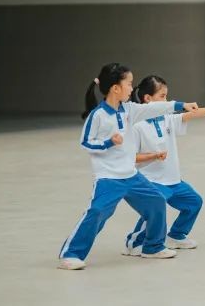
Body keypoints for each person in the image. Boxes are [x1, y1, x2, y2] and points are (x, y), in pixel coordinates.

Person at [58, 63, 197, 270]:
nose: (132, 88)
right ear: (115, 88)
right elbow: (86, 143)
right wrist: (108, 142)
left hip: (131, 176)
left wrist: (180, 105)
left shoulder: (129, 110)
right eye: (129, 84)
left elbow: (153, 108)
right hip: (109, 178)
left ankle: (152, 247)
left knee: (157, 201)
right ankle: (70, 254)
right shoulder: (98, 115)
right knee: (97, 212)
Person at [124, 75, 205, 254]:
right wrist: (154, 156)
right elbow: (130, 158)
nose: (166, 100)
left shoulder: (165, 118)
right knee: (155, 209)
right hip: (153, 180)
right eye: (162, 96)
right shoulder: (137, 126)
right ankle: (135, 241)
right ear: (147, 99)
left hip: (173, 180)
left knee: (194, 202)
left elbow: (190, 115)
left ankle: (176, 235)